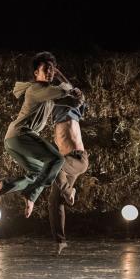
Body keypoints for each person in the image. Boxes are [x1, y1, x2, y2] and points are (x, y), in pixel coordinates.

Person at [0, 52, 83, 218]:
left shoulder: (48, 93)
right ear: (36, 73)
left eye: (52, 69)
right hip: (21, 135)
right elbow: (62, 91)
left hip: (12, 140)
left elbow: (72, 102)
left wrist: (78, 98)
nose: (50, 72)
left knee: (37, 173)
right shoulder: (36, 89)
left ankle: (6, 184)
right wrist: (67, 85)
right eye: (46, 69)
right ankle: (32, 195)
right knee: (57, 159)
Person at [46, 77, 89, 255]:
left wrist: (77, 93)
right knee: (54, 202)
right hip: (68, 162)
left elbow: (79, 100)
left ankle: (69, 192)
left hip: (77, 159)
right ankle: (60, 241)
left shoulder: (69, 109)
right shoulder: (57, 114)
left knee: (54, 164)